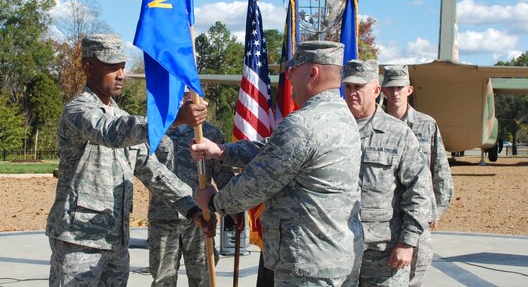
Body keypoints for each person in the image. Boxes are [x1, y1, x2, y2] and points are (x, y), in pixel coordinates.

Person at [46, 33, 214, 286]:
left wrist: (191, 208)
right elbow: (109, 131)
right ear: (89, 68)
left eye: (122, 67)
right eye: (112, 68)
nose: (121, 75)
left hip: (116, 242)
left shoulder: (121, 115)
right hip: (79, 240)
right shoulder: (78, 110)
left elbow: (153, 171)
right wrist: (174, 119)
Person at [192, 40, 363, 286]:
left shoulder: (304, 124)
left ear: (313, 73)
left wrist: (212, 201)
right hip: (336, 255)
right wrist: (222, 151)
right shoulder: (343, 117)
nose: (289, 76)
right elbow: (275, 152)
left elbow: (256, 183)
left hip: (307, 263)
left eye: (294, 69)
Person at [342, 59, 432, 287]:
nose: (352, 93)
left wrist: (408, 243)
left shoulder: (398, 134)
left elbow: (419, 191)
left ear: (376, 91)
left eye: (359, 87)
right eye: (348, 87)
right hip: (339, 249)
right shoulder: (335, 130)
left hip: (383, 253)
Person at [148, 91, 235, 287]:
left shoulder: (209, 133)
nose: (188, 100)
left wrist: (233, 209)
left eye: (191, 95)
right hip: (163, 218)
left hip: (201, 218)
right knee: (162, 279)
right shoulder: (157, 130)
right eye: (182, 95)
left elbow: (222, 174)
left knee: (203, 278)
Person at [381, 64, 454, 287]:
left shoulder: (426, 124)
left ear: (409, 90)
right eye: (390, 88)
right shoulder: (377, 125)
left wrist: (437, 208)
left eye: (400, 88)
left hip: (418, 214)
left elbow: (439, 168)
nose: (395, 93)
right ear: (383, 91)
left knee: (416, 270)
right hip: (386, 214)